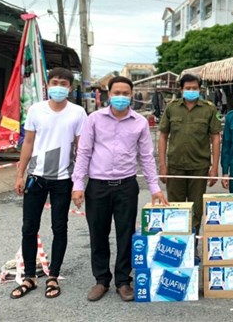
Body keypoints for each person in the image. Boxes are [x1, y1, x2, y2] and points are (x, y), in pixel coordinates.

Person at [72, 76, 168, 303]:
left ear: (132, 95)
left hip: (126, 186)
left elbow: (146, 157)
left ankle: (123, 281)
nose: (121, 97)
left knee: (126, 234)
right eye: (117, 93)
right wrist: (78, 185)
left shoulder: (140, 123)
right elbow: (83, 152)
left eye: (126, 93)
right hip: (98, 186)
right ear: (109, 94)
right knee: (98, 233)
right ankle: (101, 280)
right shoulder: (94, 119)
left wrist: (155, 188)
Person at [10, 67, 87, 300]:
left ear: (70, 88)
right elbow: (28, 143)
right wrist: (20, 174)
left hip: (63, 179)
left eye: (63, 84)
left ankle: (53, 275)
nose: (59, 87)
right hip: (36, 177)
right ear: (48, 85)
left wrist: (78, 184)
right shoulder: (35, 110)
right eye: (55, 82)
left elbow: (81, 149)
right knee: (29, 228)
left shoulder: (78, 113)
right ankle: (29, 278)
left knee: (59, 227)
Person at [158, 74, 222, 237]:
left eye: (194, 88)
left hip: (199, 167)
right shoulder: (172, 108)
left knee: (196, 211)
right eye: (188, 88)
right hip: (175, 167)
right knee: (174, 208)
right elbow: (163, 136)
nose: (191, 91)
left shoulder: (209, 108)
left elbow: (215, 138)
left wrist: (214, 168)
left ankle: (191, 248)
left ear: (200, 89)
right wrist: (163, 165)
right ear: (181, 89)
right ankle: (176, 248)